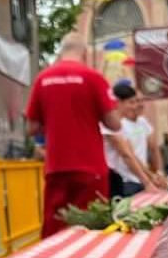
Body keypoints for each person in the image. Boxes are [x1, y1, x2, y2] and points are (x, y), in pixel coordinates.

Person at [26, 33, 120, 238]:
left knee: (55, 232)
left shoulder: (42, 79)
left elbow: (31, 127)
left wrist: (55, 122)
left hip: (56, 167)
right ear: (84, 53)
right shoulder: (93, 77)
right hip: (90, 168)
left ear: (61, 52)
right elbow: (114, 123)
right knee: (91, 231)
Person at [102, 83, 164, 197]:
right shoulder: (108, 123)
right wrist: (148, 182)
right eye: (131, 102)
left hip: (133, 179)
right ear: (118, 103)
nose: (135, 106)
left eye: (136, 102)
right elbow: (127, 155)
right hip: (118, 180)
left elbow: (134, 152)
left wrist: (154, 175)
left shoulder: (120, 124)